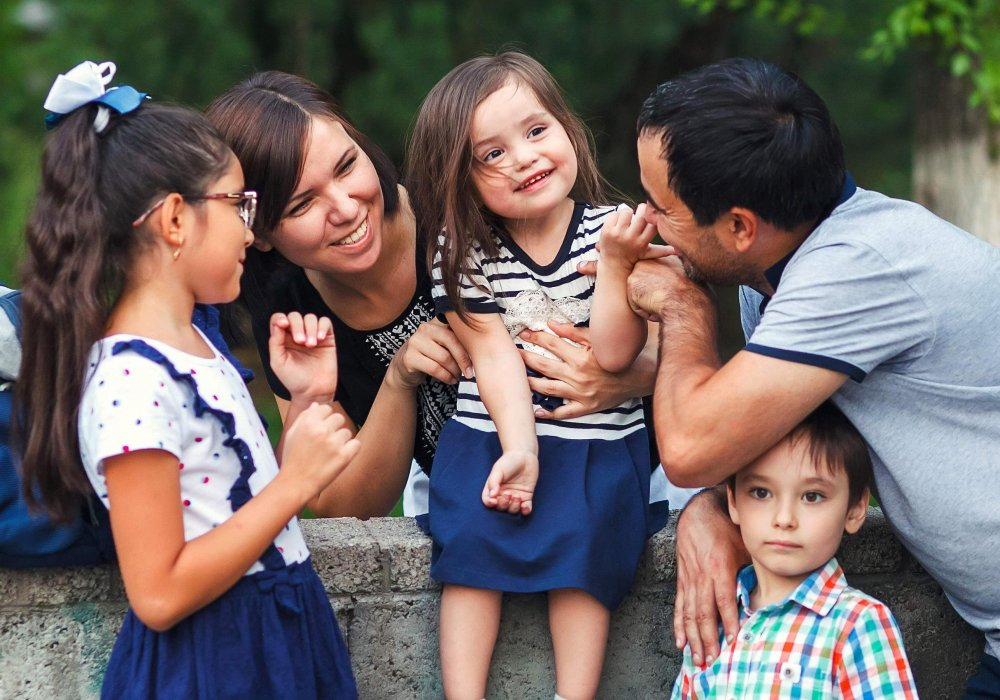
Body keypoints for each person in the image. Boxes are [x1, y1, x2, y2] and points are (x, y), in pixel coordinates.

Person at [627, 58, 1000, 697]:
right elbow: (768, 441)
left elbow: (691, 446)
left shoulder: (855, 268)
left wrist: (684, 307)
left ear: (741, 227)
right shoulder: (778, 274)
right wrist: (712, 508)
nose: (646, 221)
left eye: (663, 208)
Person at [15, 61, 360, 698]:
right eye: (238, 204)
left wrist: (307, 403)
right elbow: (159, 591)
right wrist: (295, 483)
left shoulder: (193, 344)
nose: (251, 230)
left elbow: (227, 508)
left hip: (272, 635)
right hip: (213, 664)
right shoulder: (129, 378)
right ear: (175, 219)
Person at [205, 71, 658, 519]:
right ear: (257, 231)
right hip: (478, 509)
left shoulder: (467, 208)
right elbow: (339, 506)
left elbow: (668, 320)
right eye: (302, 205)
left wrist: (627, 379)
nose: (345, 208)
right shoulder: (291, 316)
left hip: (627, 477)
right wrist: (399, 378)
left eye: (346, 166)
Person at [406, 51, 669, 700]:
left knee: (584, 551)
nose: (523, 158)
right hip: (488, 430)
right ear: (458, 177)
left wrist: (613, 268)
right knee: (467, 547)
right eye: (489, 154)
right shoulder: (461, 251)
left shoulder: (618, 231)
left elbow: (613, 355)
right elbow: (491, 355)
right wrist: (519, 448)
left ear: (568, 129)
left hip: (598, 439)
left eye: (535, 131)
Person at [671, 402, 917, 698]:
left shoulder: (857, 624)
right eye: (761, 493)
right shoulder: (714, 622)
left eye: (812, 496)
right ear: (733, 502)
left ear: (855, 508)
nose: (784, 518)